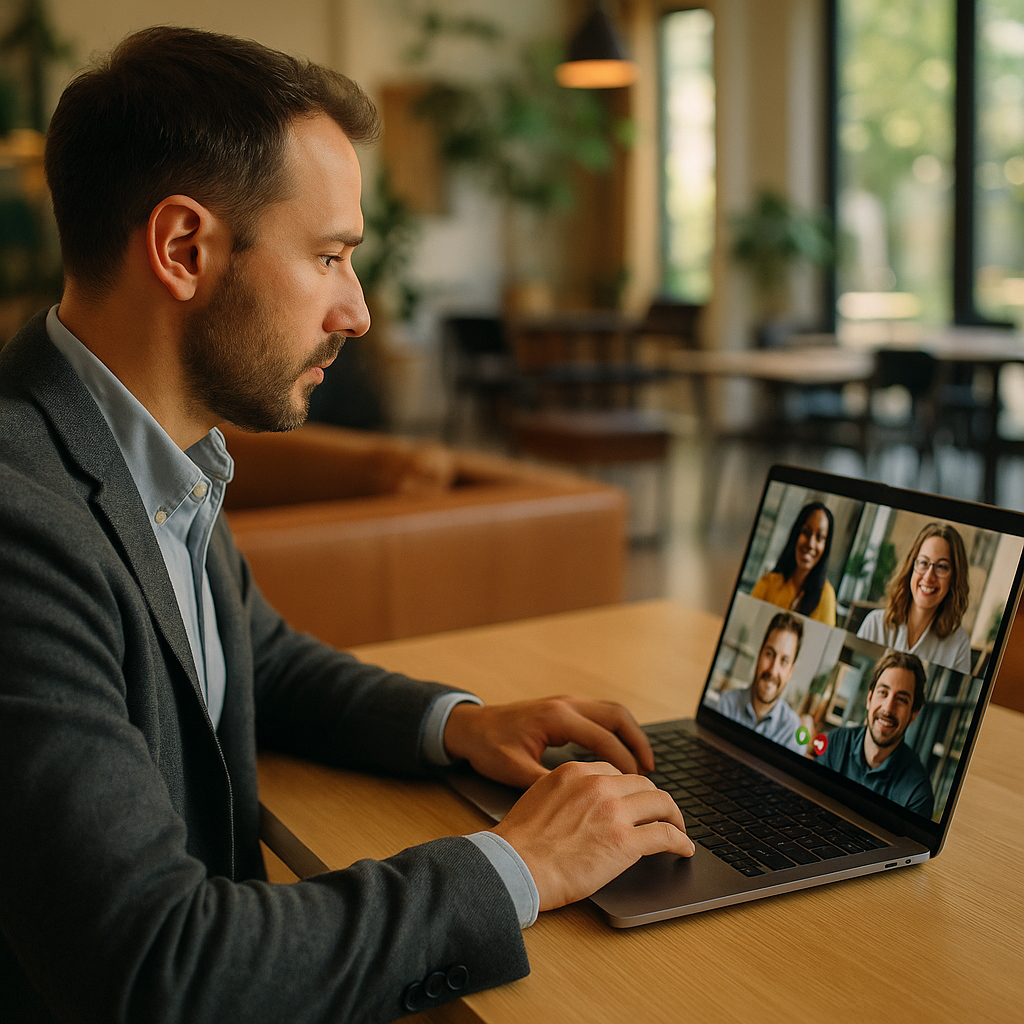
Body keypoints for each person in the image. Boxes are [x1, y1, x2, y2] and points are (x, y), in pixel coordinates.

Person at [0, 27, 695, 1024]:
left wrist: (458, 723)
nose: (359, 311)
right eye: (329, 256)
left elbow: (257, 660)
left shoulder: (150, 453)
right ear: (183, 249)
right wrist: (519, 863)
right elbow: (162, 965)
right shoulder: (24, 524)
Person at [814, 650, 934, 817]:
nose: (887, 708)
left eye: (901, 699)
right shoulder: (836, 742)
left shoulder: (917, 793)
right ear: (869, 699)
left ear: (913, 714)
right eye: (883, 692)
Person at [857, 522, 972, 674]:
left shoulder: (958, 645)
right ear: (911, 567)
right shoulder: (875, 624)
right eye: (923, 563)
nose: (929, 576)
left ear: (954, 578)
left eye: (942, 566)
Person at [716, 612, 807, 753]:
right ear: (759, 654)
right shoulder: (727, 703)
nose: (773, 670)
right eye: (769, 654)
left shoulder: (793, 732)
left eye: (784, 661)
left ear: (790, 672)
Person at [751, 501, 836, 625]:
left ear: (825, 546)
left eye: (820, 537)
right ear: (795, 534)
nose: (811, 544)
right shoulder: (769, 582)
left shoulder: (826, 595)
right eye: (806, 532)